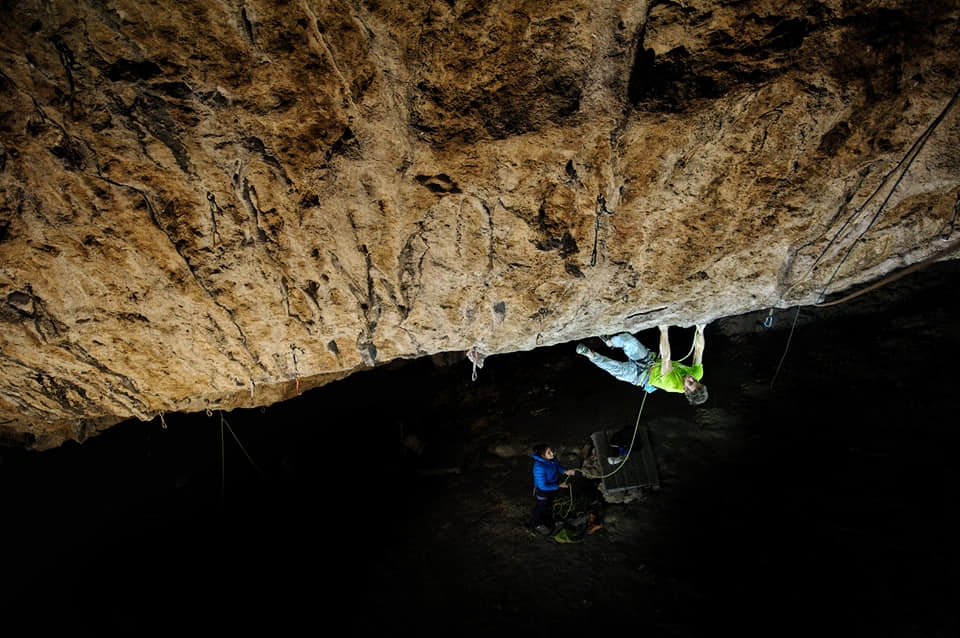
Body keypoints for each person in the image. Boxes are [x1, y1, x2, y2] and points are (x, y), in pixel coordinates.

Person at [575, 325, 708, 406]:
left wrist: (664, 330)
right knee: (628, 340)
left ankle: (590, 354)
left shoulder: (671, 384)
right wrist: (701, 331)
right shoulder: (697, 374)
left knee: (616, 369)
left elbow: (666, 358)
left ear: (685, 390)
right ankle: (610, 342)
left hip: (640, 376)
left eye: (690, 383)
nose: (691, 378)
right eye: (695, 381)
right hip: (649, 360)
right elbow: (699, 350)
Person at [530, 443, 576, 534]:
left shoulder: (551, 459)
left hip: (552, 487)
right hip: (543, 491)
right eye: (549, 452)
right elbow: (542, 486)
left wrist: (565, 471)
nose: (552, 454)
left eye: (551, 451)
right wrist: (559, 485)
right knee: (541, 506)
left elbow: (557, 467)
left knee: (548, 504)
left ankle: (548, 520)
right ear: (543, 456)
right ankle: (536, 523)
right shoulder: (539, 467)